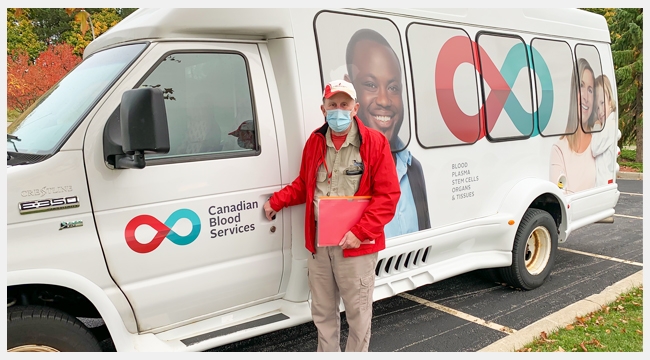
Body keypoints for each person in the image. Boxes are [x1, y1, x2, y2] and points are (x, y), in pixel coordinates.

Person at [263, 79, 400, 352]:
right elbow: (305, 184)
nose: (339, 110)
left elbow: (388, 197)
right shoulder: (315, 142)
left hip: (356, 247)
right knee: (323, 315)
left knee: (358, 316)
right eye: (333, 104)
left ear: (355, 107)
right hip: (320, 243)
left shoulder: (374, 143)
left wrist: (359, 233)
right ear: (323, 109)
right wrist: (276, 202)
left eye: (344, 104)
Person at [343, 28, 430, 237]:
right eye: (371, 85)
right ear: (349, 87)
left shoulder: (413, 169)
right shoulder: (341, 163)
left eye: (393, 88)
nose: (384, 100)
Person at [549, 58, 598, 193]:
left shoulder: (599, 144)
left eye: (590, 90)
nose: (585, 97)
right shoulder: (559, 150)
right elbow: (560, 197)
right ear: (572, 92)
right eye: (581, 86)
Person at [591, 74, 617, 187]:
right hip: (603, 182)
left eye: (602, 103)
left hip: (603, 183)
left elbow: (595, 148)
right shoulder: (608, 124)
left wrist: (597, 126)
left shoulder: (610, 125)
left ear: (610, 100)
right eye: (596, 107)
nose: (600, 111)